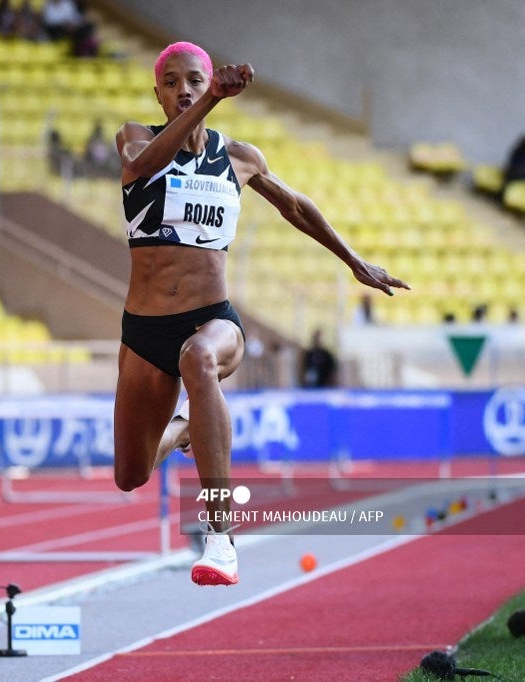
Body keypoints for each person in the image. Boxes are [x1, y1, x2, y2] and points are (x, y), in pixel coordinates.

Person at [112, 42, 409, 587]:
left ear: (209, 83)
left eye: (196, 81)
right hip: (144, 330)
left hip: (212, 320)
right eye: (172, 82)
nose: (185, 90)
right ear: (157, 93)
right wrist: (210, 104)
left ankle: (220, 536)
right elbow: (140, 169)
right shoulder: (137, 139)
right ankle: (187, 429)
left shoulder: (239, 157)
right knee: (129, 475)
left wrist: (354, 261)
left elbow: (295, 205)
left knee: (200, 360)